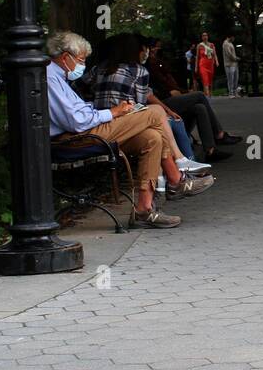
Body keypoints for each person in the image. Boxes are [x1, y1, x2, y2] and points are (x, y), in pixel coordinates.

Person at [45, 30, 214, 229]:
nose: (82, 65)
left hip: (86, 129)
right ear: (65, 57)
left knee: (152, 137)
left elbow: (79, 108)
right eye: (81, 60)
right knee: (155, 112)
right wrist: (114, 112)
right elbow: (77, 121)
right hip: (76, 137)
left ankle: (144, 209)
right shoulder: (50, 78)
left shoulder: (62, 75)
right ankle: (177, 176)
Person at [87, 33, 212, 175]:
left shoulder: (99, 68)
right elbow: (142, 101)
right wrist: (166, 112)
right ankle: (186, 163)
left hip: (102, 120)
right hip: (122, 118)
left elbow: (79, 84)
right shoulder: (138, 70)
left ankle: (182, 164)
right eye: (144, 48)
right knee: (171, 121)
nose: (146, 52)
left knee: (163, 114)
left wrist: (92, 97)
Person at [196, 32, 218, 96]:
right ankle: (207, 94)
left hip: (210, 64)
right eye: (203, 36)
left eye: (206, 35)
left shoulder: (211, 45)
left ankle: (209, 93)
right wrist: (196, 67)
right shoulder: (199, 45)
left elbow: (214, 54)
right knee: (205, 78)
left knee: (210, 79)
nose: (205, 37)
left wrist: (216, 61)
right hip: (202, 64)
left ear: (208, 37)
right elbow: (197, 56)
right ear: (202, 37)